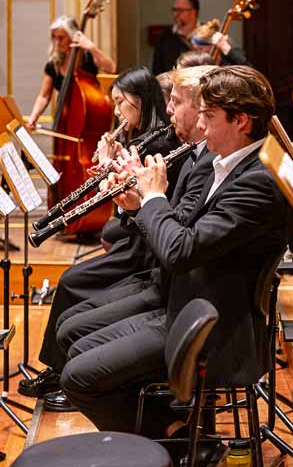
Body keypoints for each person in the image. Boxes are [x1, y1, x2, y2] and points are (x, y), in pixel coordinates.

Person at [59, 65, 285, 439]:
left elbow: (180, 250)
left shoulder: (257, 181)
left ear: (242, 121)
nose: (200, 123)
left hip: (211, 326)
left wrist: (152, 198)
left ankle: (175, 448)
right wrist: (138, 205)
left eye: (209, 116)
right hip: (183, 301)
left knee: (80, 376)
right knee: (78, 345)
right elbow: (179, 235)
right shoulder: (222, 164)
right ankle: (175, 432)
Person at [21, 66, 185, 409]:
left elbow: (153, 210)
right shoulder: (139, 139)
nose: (116, 112)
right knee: (73, 281)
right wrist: (112, 176)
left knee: (70, 281)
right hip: (138, 238)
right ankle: (59, 369)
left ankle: (66, 374)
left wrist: (119, 182)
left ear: (140, 103)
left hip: (146, 249)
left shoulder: (161, 145)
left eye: (120, 103)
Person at [25, 15, 116, 131]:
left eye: (61, 38)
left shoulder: (88, 58)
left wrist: (92, 47)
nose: (57, 42)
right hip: (64, 119)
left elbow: (111, 68)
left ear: (72, 36)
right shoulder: (54, 64)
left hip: (87, 120)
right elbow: (44, 96)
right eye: (54, 38)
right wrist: (33, 117)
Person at [151, 0, 199, 75]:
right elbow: (157, 70)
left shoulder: (207, 35)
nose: (176, 14)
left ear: (193, 12)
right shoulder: (164, 38)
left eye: (180, 10)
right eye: (174, 10)